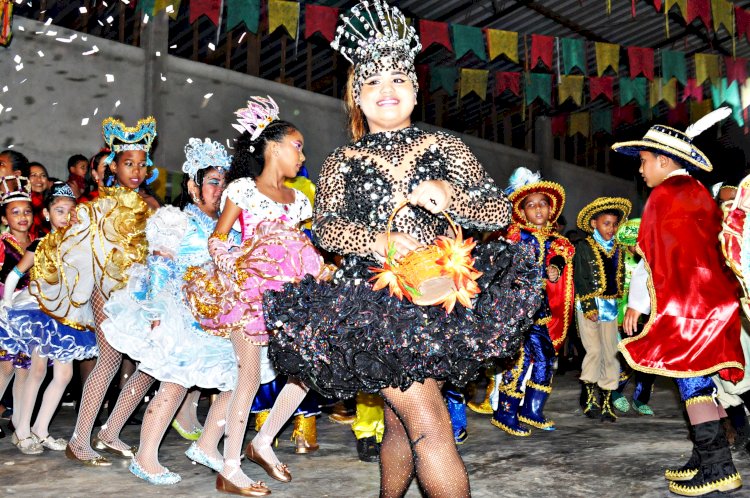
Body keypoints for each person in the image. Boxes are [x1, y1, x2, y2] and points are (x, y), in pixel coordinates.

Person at [263, 2, 542, 495]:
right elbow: (326, 228)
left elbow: (499, 213)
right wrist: (375, 239)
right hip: (372, 306)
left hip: (437, 298)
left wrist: (453, 196)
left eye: (398, 79)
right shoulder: (341, 159)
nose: (386, 90)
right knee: (429, 422)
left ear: (415, 91)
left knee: (400, 421)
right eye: (372, 82)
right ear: (357, 95)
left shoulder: (447, 148)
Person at [184, 97, 327, 496]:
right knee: (247, 377)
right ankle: (230, 467)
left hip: (289, 299)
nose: (302, 154)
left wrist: (321, 268)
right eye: (297, 145)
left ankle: (261, 441)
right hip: (248, 294)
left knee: (304, 373)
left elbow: (298, 247)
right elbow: (218, 238)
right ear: (274, 147)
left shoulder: (299, 200)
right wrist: (234, 264)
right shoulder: (243, 190)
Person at [615, 110, 744, 496]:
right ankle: (706, 458)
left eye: (643, 161)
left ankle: (719, 468)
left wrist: (636, 303)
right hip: (714, 305)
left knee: (692, 383)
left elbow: (652, 257)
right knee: (703, 381)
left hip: (690, 309)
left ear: (664, 160)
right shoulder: (697, 193)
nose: (640, 170)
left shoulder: (665, 195)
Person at [100, 137, 236, 485]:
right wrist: (156, 312)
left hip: (218, 317)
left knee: (236, 380)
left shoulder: (230, 226)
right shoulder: (175, 220)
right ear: (193, 185)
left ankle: (207, 445)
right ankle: (145, 458)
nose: (220, 190)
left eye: (224, 182)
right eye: (213, 182)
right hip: (180, 313)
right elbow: (159, 268)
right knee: (174, 385)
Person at [29, 117, 156, 466]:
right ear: (113, 166)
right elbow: (77, 252)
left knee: (153, 364)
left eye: (141, 164)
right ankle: (79, 439)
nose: (135, 170)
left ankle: (109, 431)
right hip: (107, 291)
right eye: (128, 163)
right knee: (110, 359)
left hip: (140, 295)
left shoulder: (148, 206)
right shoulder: (97, 208)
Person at [0, 182, 96, 454]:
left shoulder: (80, 247)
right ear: (46, 215)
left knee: (64, 374)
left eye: (71, 211)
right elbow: (14, 275)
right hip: (38, 312)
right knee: (37, 370)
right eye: (59, 210)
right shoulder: (40, 244)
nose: (66, 216)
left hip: (66, 315)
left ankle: (41, 429)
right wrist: (6, 304)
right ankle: (22, 431)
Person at [489, 167, 574, 436]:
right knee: (520, 360)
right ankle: (505, 412)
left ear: (551, 210)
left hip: (540, 311)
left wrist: (556, 268)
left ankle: (531, 410)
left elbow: (558, 256)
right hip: (517, 310)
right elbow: (506, 265)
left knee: (546, 358)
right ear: (522, 211)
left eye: (543, 205)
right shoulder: (515, 235)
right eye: (531, 205)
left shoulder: (554, 240)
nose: (538, 210)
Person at [573, 196, 631, 422]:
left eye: (615, 224)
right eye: (606, 223)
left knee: (611, 353)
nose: (612, 228)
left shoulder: (619, 248)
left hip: (611, 308)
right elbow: (581, 277)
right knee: (594, 351)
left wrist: (623, 308)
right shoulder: (584, 246)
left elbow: (621, 279)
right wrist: (588, 305)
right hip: (589, 305)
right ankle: (589, 396)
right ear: (594, 223)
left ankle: (606, 400)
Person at [0, 175, 35, 444]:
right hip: (5, 312)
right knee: (4, 367)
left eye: (27, 211)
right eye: (15, 212)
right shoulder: (2, 244)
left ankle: (20, 424)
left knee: (25, 368)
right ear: (4, 218)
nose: (22, 217)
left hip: (30, 315)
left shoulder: (39, 243)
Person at [610, 218, 656, 416]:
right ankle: (615, 392)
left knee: (651, 363)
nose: (635, 249)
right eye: (631, 244)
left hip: (651, 319)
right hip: (623, 319)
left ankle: (641, 398)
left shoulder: (653, 261)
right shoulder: (616, 260)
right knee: (628, 359)